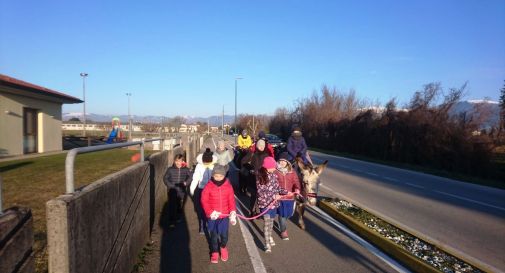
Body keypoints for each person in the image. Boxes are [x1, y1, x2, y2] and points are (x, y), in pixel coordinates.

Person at [201, 165, 237, 264]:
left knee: (224, 236)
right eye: (216, 176)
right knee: (213, 236)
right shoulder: (208, 186)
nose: (218, 178)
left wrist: (233, 211)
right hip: (213, 216)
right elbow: (204, 201)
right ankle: (215, 252)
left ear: (224, 176)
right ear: (213, 176)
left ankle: (223, 247)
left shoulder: (228, 186)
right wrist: (210, 212)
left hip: (224, 216)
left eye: (220, 176)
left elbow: (231, 200)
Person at [256, 156, 288, 253]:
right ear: (267, 167)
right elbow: (261, 191)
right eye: (273, 167)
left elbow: (277, 188)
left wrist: (285, 192)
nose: (275, 168)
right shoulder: (260, 177)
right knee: (267, 223)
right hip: (265, 205)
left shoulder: (274, 176)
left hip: (273, 205)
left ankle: (269, 236)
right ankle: (267, 244)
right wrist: (274, 196)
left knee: (271, 223)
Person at [190, 148, 217, 234]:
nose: (207, 164)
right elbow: (195, 178)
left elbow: (218, 178)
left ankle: (210, 226)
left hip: (212, 190)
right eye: (206, 163)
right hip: (202, 189)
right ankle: (202, 226)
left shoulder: (214, 166)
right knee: (202, 209)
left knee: (211, 209)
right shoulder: (199, 166)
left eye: (208, 163)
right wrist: (192, 190)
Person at [274, 152, 301, 240]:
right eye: (280, 160)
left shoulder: (292, 172)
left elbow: (296, 182)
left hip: (290, 198)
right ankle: (283, 231)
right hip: (280, 198)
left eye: (284, 161)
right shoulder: (275, 171)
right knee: (282, 215)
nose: (282, 162)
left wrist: (297, 189)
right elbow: (273, 184)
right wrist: (276, 193)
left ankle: (282, 224)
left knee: (288, 215)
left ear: (287, 162)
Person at [241, 139, 270, 215]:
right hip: (253, 178)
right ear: (257, 146)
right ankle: (251, 211)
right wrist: (250, 169)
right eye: (260, 145)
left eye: (263, 146)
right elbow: (243, 162)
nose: (261, 147)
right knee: (254, 196)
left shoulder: (267, 155)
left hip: (262, 179)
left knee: (260, 196)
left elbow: (270, 166)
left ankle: (258, 211)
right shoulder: (252, 153)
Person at [163, 154, 192, 228]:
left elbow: (190, 177)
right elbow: (165, 179)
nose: (178, 163)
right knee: (172, 206)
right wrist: (171, 185)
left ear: (183, 161)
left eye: (180, 161)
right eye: (176, 161)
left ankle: (178, 216)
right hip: (172, 190)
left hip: (181, 191)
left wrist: (186, 183)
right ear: (174, 161)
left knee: (179, 205)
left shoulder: (186, 169)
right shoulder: (170, 169)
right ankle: (171, 221)